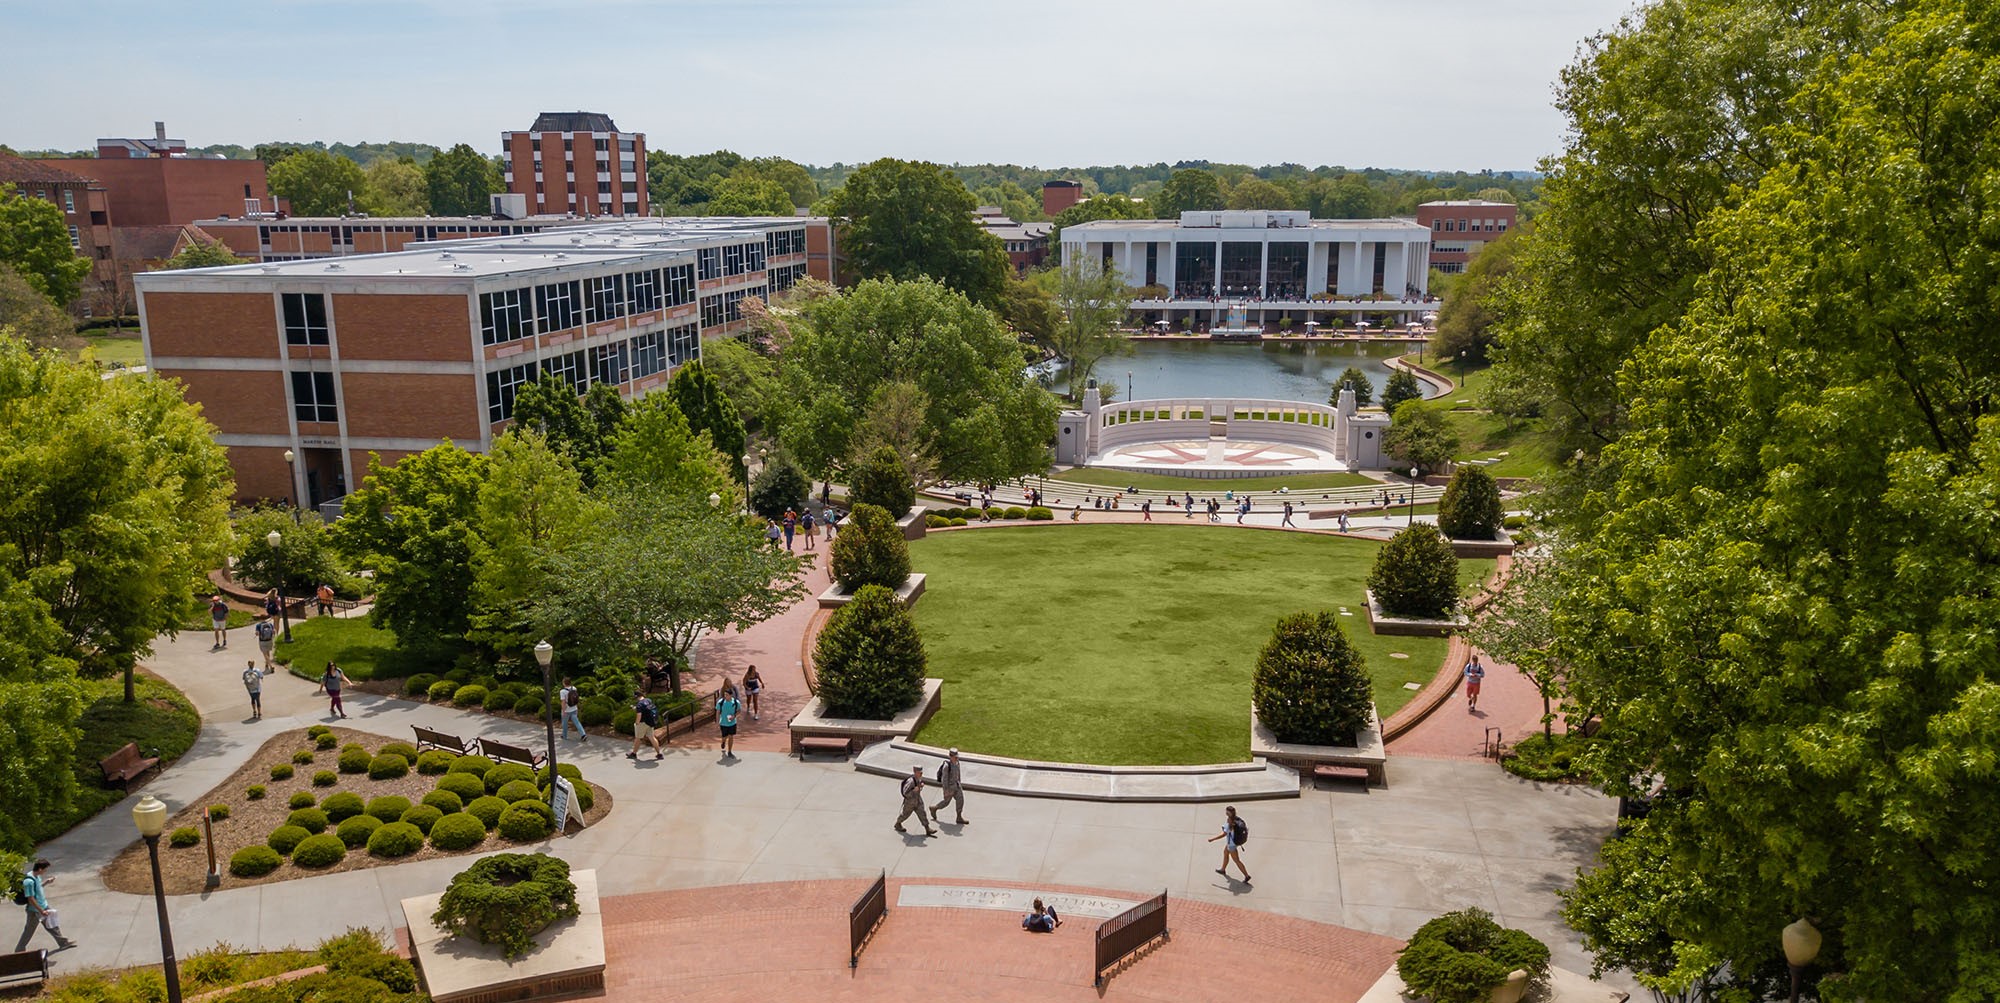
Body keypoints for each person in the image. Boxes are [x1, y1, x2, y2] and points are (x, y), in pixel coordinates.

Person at [14, 859, 73, 952]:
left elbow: (38, 888)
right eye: (45, 869)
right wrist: (41, 911)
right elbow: (31, 898)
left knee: (53, 926)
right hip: (34, 911)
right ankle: (19, 951)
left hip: (43, 906)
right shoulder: (29, 881)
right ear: (40, 869)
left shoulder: (37, 877)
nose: (46, 871)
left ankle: (63, 943)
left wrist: (46, 882)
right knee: (29, 931)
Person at [1208, 806, 1251, 883]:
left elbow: (1224, 834)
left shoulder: (1230, 823)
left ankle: (1246, 876)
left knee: (1237, 861)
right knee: (1225, 853)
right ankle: (1223, 869)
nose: (1225, 812)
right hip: (1233, 843)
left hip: (1232, 845)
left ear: (1229, 813)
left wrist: (1212, 839)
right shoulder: (1236, 818)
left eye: (1227, 811)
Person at [894, 765, 938, 837]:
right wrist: (914, 790)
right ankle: (898, 823)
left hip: (917, 800)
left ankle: (927, 829)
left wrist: (920, 785)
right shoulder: (910, 781)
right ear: (915, 772)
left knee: (922, 814)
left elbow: (918, 785)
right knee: (905, 815)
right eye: (919, 772)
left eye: (921, 772)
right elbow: (905, 793)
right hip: (910, 803)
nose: (921, 774)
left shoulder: (918, 779)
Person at [931, 747, 967, 825]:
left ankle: (959, 817)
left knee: (960, 800)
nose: (956, 758)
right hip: (949, 788)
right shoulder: (947, 766)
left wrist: (959, 783)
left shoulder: (957, 762)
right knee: (946, 802)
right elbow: (944, 780)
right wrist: (945, 791)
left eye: (957, 757)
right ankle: (934, 808)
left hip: (957, 786)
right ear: (950, 756)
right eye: (955, 757)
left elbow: (958, 773)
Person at [628, 693, 663, 760]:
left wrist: (637, 723)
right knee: (652, 737)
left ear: (637, 697)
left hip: (642, 723)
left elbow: (639, 715)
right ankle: (659, 754)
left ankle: (634, 753)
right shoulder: (648, 700)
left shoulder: (639, 705)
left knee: (638, 738)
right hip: (650, 722)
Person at [716, 684, 742, 759]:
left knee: (731, 736)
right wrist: (717, 721)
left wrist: (734, 716)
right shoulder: (720, 702)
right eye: (724, 695)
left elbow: (739, 710)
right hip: (723, 723)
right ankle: (723, 741)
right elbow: (717, 712)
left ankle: (730, 751)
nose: (725, 696)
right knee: (724, 736)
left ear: (731, 695)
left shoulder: (736, 703)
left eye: (727, 695)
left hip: (732, 723)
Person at [559, 677, 585, 741]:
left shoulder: (562, 691)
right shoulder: (574, 688)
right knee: (577, 722)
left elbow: (563, 702)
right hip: (574, 708)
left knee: (565, 723)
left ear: (564, 683)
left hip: (567, 710)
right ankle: (583, 734)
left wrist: (563, 710)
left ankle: (564, 736)